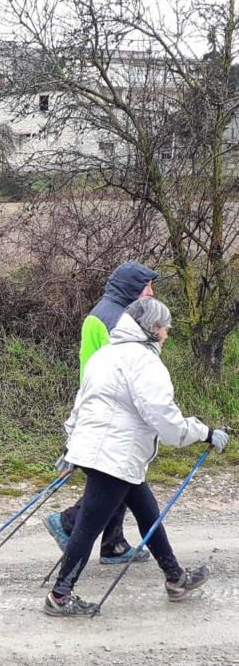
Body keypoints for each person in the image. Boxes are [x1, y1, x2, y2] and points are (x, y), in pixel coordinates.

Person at [45, 297, 228, 617]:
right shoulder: (144, 362)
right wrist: (205, 433)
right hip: (115, 455)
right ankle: (60, 596)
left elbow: (81, 404)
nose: (168, 335)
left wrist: (71, 444)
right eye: (166, 328)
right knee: (88, 527)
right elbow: (166, 421)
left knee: (148, 512)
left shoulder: (105, 354)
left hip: (101, 452)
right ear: (153, 328)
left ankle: (175, 578)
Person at [44, 261, 158, 564]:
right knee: (116, 477)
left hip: (97, 405)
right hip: (110, 411)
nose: (151, 292)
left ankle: (113, 544)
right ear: (133, 288)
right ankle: (69, 523)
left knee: (118, 478)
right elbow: (121, 372)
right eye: (147, 286)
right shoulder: (119, 320)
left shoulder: (105, 312)